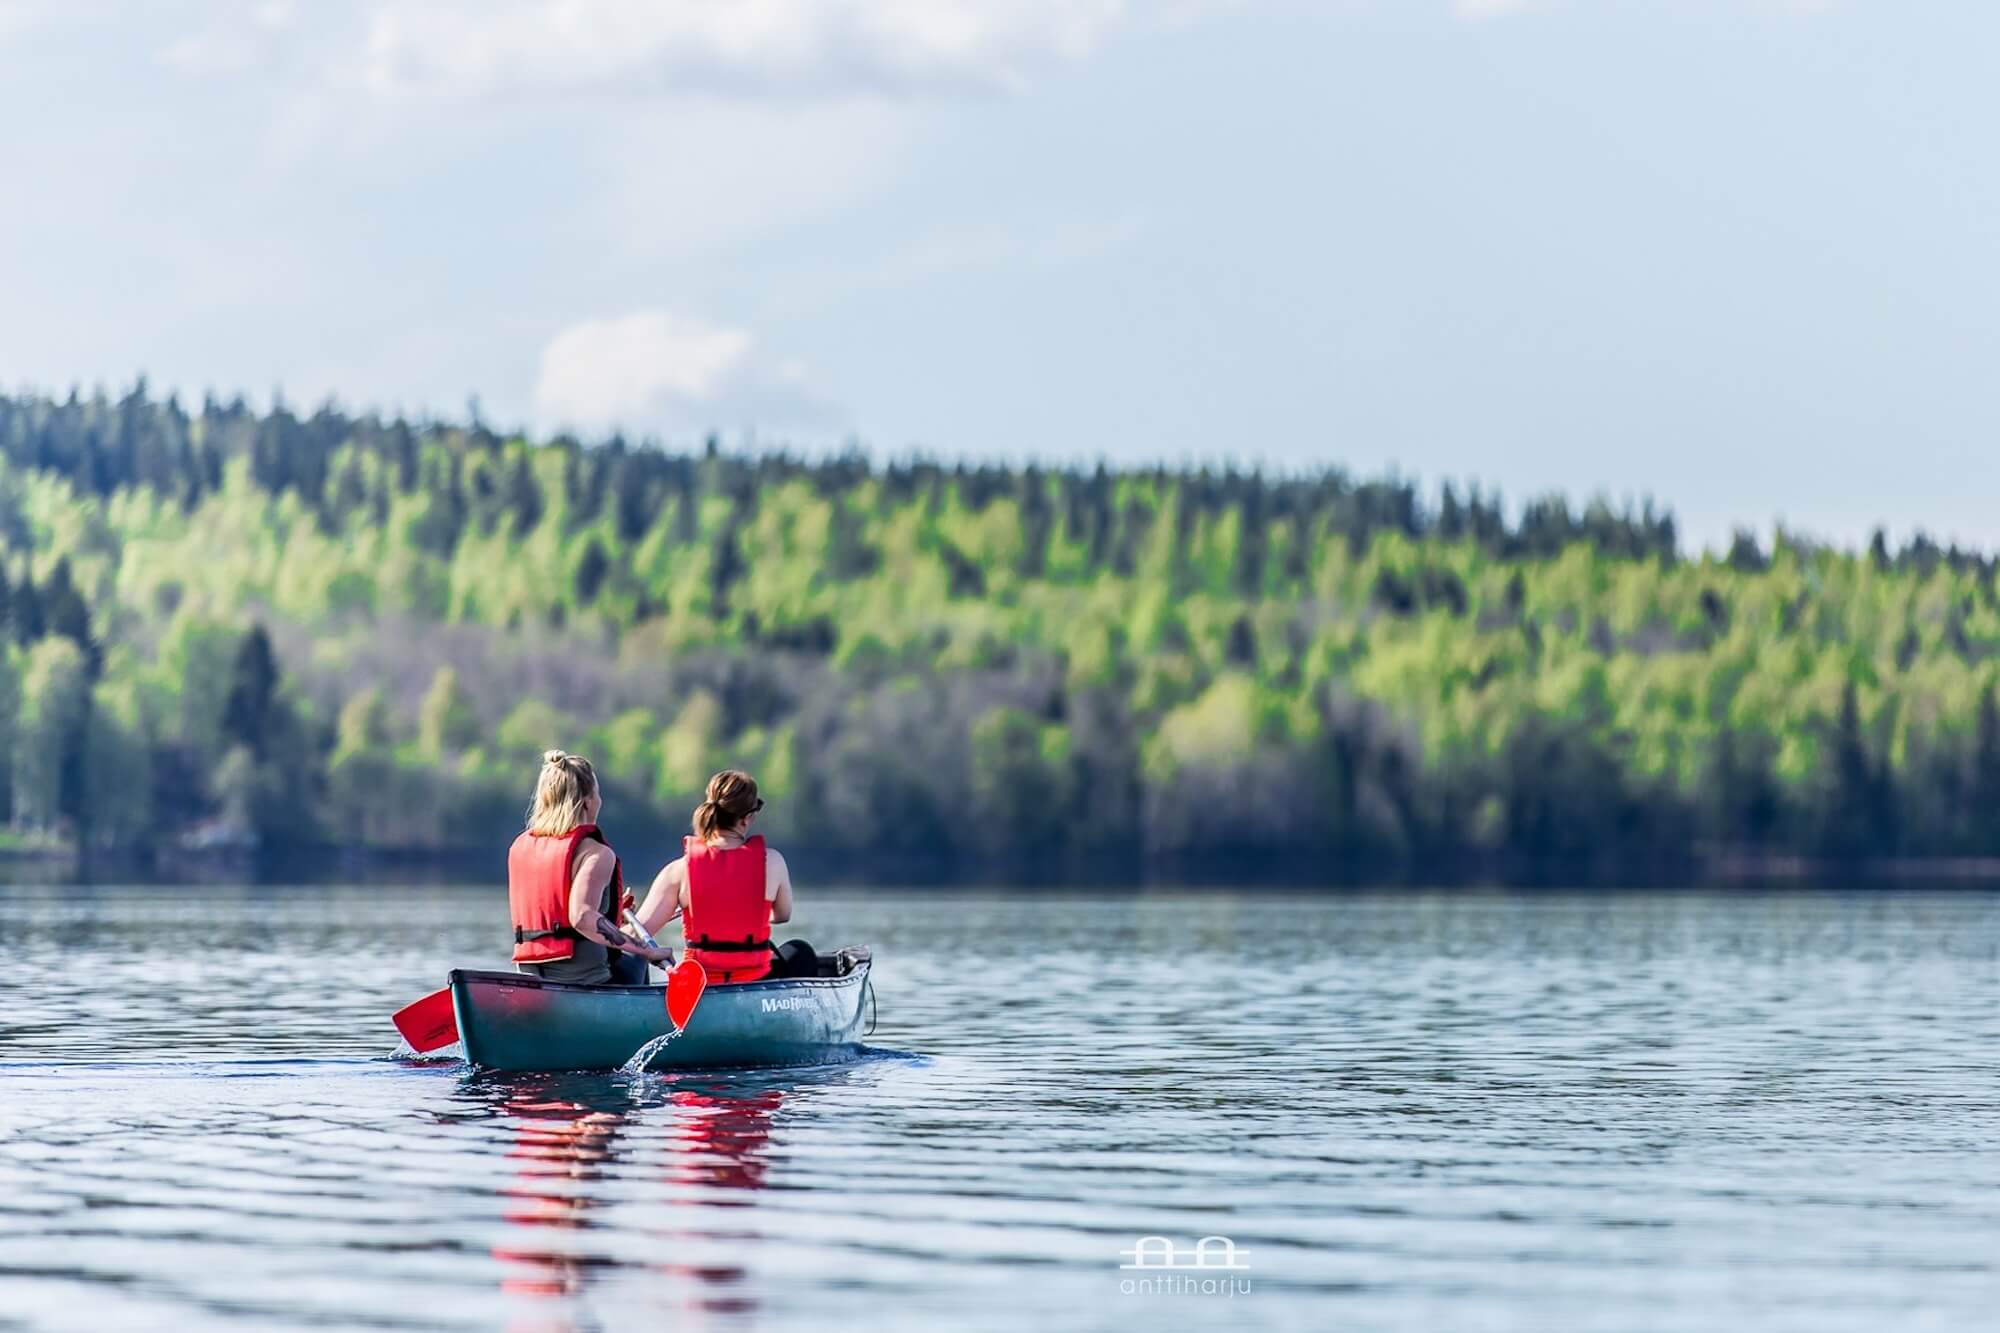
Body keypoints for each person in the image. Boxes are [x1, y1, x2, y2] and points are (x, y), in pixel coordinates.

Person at [508, 750, 674, 985]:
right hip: (588, 982)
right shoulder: (597, 853)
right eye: (598, 793)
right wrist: (647, 952)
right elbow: (582, 917)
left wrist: (612, 913)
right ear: (587, 801)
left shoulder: (520, 847)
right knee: (638, 953)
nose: (599, 800)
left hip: (532, 979)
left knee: (629, 942)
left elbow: (558, 904)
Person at [636, 769, 811, 984]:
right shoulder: (773, 862)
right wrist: (749, 913)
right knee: (800, 951)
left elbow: (638, 933)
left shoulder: (678, 870)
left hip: (702, 984)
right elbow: (783, 915)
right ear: (747, 819)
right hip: (754, 979)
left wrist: (612, 919)